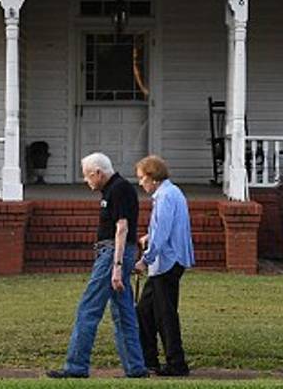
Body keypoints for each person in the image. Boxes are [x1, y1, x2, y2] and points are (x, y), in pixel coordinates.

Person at [47, 152, 149, 379]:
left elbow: (122, 228)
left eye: (87, 176)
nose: (86, 180)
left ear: (98, 173)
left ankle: (76, 366)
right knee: (123, 312)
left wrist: (117, 266)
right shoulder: (112, 189)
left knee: (88, 308)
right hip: (114, 253)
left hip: (112, 254)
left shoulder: (119, 189)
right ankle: (136, 368)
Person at [133, 155, 195, 376]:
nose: (140, 183)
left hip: (167, 262)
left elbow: (162, 233)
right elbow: (163, 228)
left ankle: (176, 363)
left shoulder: (165, 197)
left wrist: (145, 260)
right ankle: (150, 358)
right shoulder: (172, 192)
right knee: (144, 311)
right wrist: (148, 237)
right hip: (170, 260)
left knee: (164, 314)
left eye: (142, 178)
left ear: (152, 177)